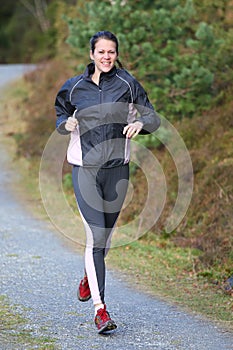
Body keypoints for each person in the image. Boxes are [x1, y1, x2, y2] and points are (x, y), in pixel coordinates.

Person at [55, 30, 160, 334]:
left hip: (117, 170)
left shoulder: (128, 84)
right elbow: (60, 112)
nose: (106, 57)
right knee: (96, 236)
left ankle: (90, 275)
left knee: (106, 237)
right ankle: (101, 311)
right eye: (100, 52)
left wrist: (140, 122)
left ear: (116, 54)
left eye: (111, 52)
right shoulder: (74, 87)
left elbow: (152, 116)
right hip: (85, 169)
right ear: (92, 54)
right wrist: (66, 123)